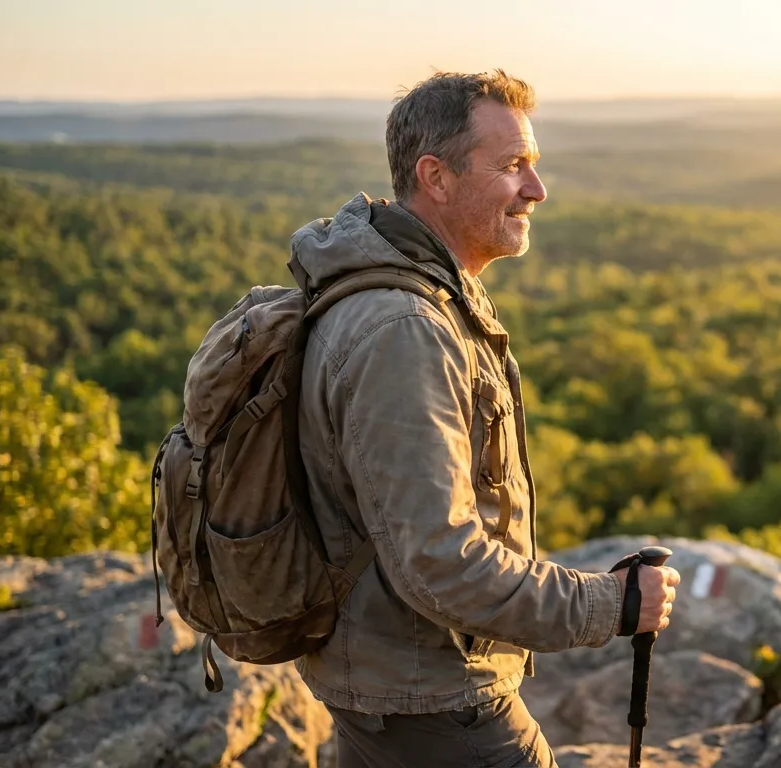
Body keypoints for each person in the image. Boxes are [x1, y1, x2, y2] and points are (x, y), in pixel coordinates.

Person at [287, 70, 681, 767]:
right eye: (512, 166)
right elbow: (438, 561)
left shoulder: (413, 297)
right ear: (435, 178)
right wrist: (608, 605)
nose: (537, 189)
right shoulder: (404, 328)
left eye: (534, 165)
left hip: (390, 687)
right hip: (436, 703)